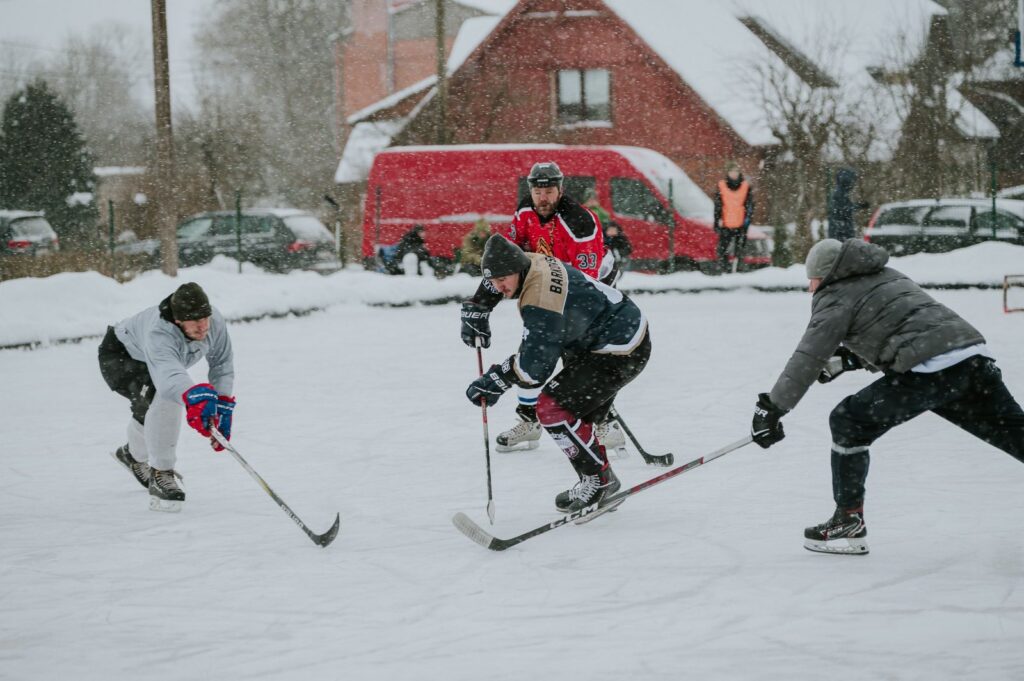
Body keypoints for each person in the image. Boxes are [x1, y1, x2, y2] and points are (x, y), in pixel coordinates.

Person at [750, 238, 1024, 555]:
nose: (810, 288)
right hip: (972, 357)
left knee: (849, 420)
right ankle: (848, 519)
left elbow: (809, 356)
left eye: (811, 280)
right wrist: (851, 360)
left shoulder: (834, 295)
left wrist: (771, 408)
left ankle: (848, 519)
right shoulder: (886, 274)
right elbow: (902, 326)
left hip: (931, 372)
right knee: (1013, 432)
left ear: (826, 275)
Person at [465, 235, 651, 515]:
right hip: (614, 332)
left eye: (503, 279)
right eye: (494, 281)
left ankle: (599, 482)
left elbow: (535, 368)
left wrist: (494, 380)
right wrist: (478, 306)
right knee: (578, 417)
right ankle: (602, 480)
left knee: (552, 408)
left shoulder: (540, 300)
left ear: (517, 268)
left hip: (619, 350)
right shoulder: (531, 262)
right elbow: (500, 275)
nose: (499, 287)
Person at [460, 161, 620, 454]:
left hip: (589, 285)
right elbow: (505, 259)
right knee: (535, 350)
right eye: (537, 191)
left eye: (548, 191)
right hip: (545, 283)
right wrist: (480, 304)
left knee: (580, 358)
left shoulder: (579, 222)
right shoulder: (525, 212)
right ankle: (530, 421)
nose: (542, 197)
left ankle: (603, 420)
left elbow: (587, 281)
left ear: (560, 190)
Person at [98, 282, 236, 513]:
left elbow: (222, 364)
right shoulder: (159, 333)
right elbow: (169, 378)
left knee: (149, 414)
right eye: (194, 321)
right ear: (178, 320)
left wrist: (222, 403)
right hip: (122, 358)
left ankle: (131, 455)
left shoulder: (214, 322)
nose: (203, 327)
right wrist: (195, 399)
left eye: (205, 318)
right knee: (165, 399)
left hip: (160, 366)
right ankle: (162, 473)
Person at [712, 162, 753, 273]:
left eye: (736, 171)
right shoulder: (721, 186)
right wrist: (717, 220)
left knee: (739, 250)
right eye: (732, 171)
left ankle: (739, 269)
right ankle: (724, 269)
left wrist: (747, 221)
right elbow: (717, 205)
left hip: (741, 224)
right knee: (723, 249)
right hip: (726, 224)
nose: (734, 174)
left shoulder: (746, 186)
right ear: (728, 173)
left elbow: (749, 205)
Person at [827, 167, 869, 241]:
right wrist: (859, 206)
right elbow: (844, 210)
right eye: (852, 181)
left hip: (841, 230)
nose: (853, 184)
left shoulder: (842, 192)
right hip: (841, 231)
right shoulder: (839, 193)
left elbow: (844, 208)